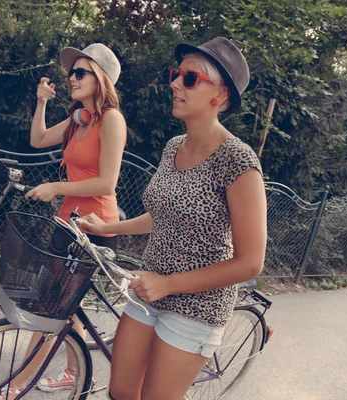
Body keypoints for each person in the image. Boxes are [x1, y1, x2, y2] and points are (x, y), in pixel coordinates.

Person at [78, 37, 267, 400]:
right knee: (119, 391)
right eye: (176, 74)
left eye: (190, 79)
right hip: (147, 289)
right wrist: (107, 227)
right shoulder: (173, 146)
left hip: (197, 306)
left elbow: (250, 263)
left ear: (220, 94)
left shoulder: (239, 163)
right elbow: (164, 216)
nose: (175, 84)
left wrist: (169, 284)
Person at [0, 43, 127, 400]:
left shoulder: (111, 120)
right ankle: (75, 373)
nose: (71, 78)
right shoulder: (80, 118)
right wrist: (42, 103)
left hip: (94, 227)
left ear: (102, 79)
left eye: (81, 72)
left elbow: (108, 182)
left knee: (50, 307)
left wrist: (56, 186)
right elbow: (37, 139)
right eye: (71, 73)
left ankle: (16, 387)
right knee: (65, 307)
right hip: (68, 223)